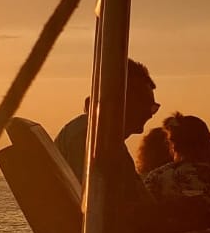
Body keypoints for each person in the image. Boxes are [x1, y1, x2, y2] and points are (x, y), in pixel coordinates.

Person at [53, 57, 158, 190]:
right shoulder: (90, 138)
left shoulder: (106, 139)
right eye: (147, 105)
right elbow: (95, 201)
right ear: (124, 101)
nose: (150, 114)